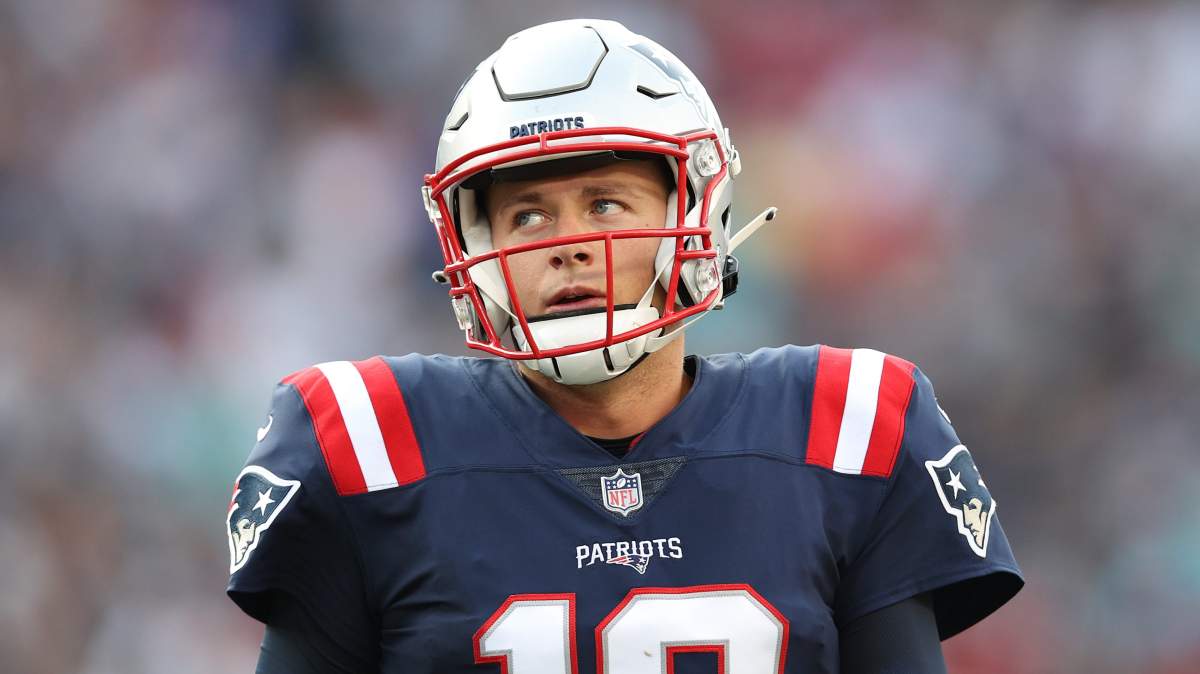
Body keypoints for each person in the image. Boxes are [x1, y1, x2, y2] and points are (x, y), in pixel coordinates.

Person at [225, 19, 1023, 673]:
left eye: (605, 203)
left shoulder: (848, 429)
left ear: (695, 212)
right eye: (528, 215)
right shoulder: (366, 443)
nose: (568, 244)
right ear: (476, 244)